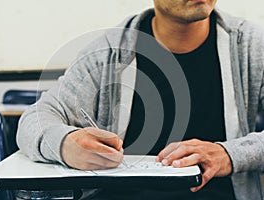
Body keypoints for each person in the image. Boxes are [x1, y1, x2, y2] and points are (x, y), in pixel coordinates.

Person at [17, 0, 264, 199]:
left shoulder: (250, 46)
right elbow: (35, 119)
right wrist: (66, 143)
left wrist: (228, 154)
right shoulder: (108, 51)